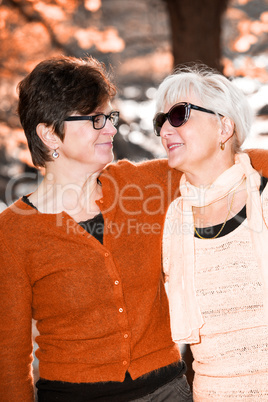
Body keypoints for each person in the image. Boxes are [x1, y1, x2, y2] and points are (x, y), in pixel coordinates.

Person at [0, 56, 193, 402]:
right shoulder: (13, 232)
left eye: (110, 116)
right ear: (49, 135)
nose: (111, 129)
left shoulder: (142, 186)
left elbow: (226, 165)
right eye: (95, 119)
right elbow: (9, 361)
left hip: (166, 391)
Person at [152, 65, 268, 400]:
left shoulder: (263, 201)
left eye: (179, 115)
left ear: (224, 127)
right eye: (161, 121)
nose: (165, 131)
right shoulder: (174, 220)